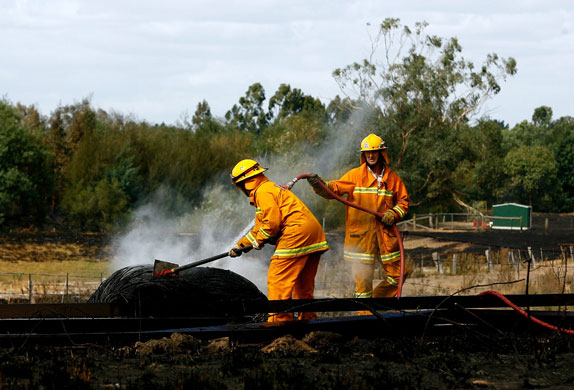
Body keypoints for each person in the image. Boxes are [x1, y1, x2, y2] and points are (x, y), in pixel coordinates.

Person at [308, 134, 409, 303]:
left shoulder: (392, 178)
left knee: (399, 274)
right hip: (361, 239)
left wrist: (394, 213)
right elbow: (333, 189)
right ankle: (365, 319)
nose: (370, 155)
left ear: (382, 153)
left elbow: (403, 201)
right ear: (363, 155)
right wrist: (319, 185)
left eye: (374, 152)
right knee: (363, 287)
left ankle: (377, 304)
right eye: (367, 152)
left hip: (386, 238)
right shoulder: (355, 176)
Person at [228, 158, 329, 322]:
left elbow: (271, 225)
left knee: (277, 281)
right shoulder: (268, 188)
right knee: (303, 287)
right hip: (312, 233)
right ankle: (309, 324)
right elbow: (260, 226)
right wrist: (241, 246)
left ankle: (280, 326)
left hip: (296, 233)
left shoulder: (262, 192)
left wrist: (259, 240)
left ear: (244, 183)